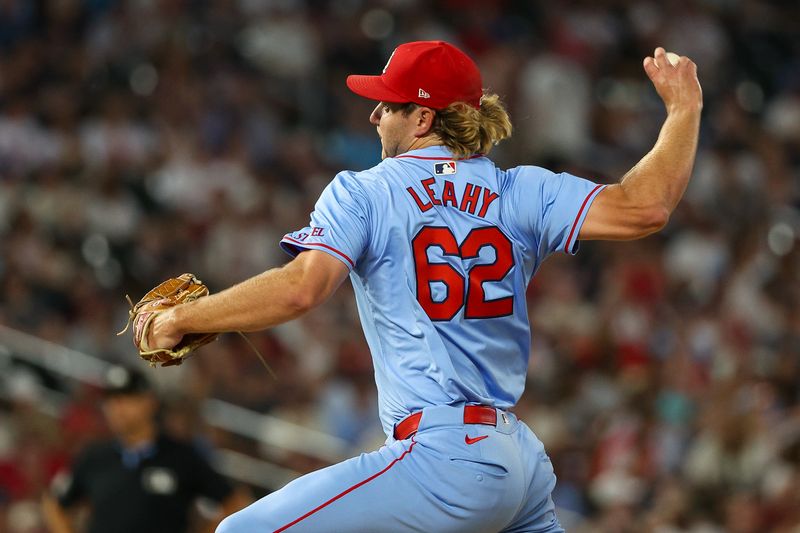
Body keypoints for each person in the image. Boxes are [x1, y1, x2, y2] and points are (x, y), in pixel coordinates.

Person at [144, 41, 702, 532]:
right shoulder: (520, 190)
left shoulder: (366, 191)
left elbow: (300, 289)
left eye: (388, 104)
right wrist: (684, 110)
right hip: (517, 464)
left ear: (422, 120)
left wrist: (179, 320)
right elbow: (645, 207)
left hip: (442, 460)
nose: (374, 116)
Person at [41, 366, 249, 533]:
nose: (117, 408)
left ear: (149, 402)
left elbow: (236, 501)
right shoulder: (94, 456)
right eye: (111, 400)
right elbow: (55, 504)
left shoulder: (180, 455)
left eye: (126, 398)